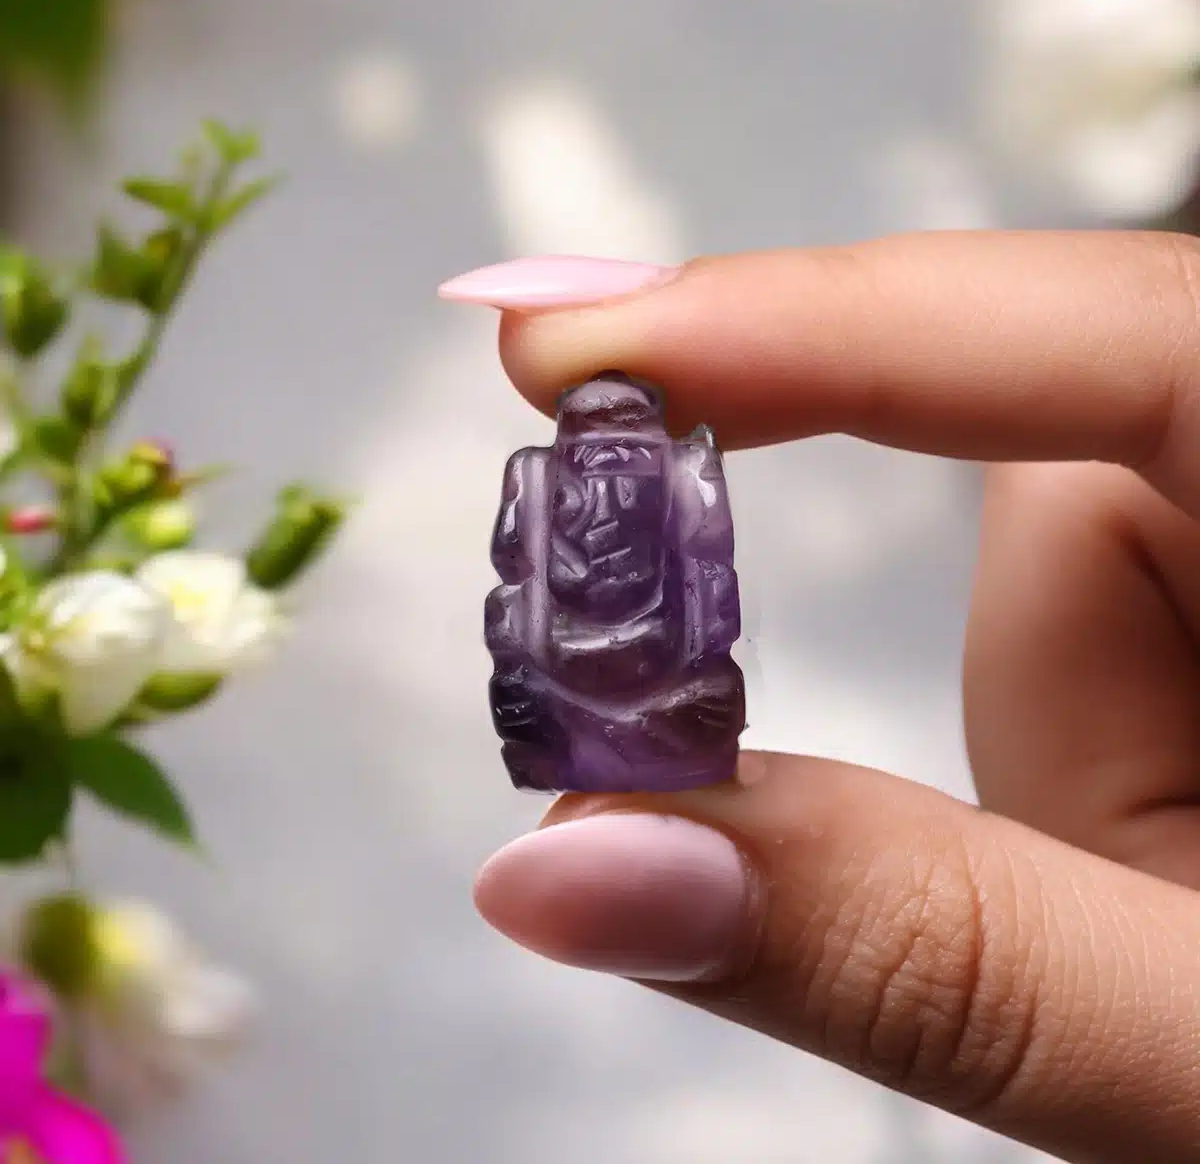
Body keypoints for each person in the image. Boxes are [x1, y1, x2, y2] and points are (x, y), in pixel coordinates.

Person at [439, 234, 1200, 1164]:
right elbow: (514, 574)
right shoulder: (533, 477)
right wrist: (536, 634)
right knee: (531, 681)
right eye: (588, 452)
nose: (605, 480)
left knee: (695, 699)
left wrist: (681, 636)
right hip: (570, 669)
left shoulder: (684, 476)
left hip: (660, 675)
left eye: (625, 453)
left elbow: (709, 586)